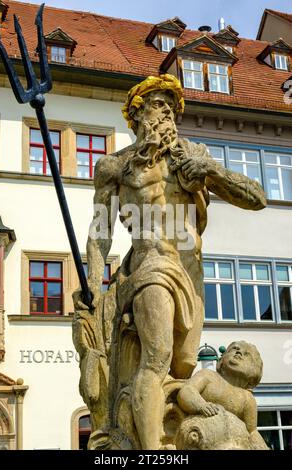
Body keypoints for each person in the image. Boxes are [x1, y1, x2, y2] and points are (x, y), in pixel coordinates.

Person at [76, 74, 266, 449]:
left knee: (181, 367)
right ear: (136, 114)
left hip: (191, 274)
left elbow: (256, 198)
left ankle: (163, 434)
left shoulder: (194, 155)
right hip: (150, 266)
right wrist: (93, 281)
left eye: (169, 105)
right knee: (157, 356)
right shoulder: (117, 166)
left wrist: (211, 173)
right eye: (155, 104)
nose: (163, 112)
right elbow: (100, 232)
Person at [177, 341, 268, 449]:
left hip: (234, 444)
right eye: (234, 349)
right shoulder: (208, 376)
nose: (239, 352)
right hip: (198, 437)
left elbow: (252, 431)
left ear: (254, 372)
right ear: (221, 360)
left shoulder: (247, 398)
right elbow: (187, 391)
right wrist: (200, 405)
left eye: (247, 354)